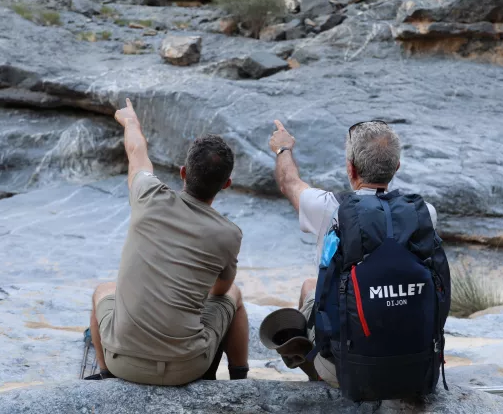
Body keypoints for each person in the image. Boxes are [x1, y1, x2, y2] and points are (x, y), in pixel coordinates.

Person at [88, 98, 249, 385]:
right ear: (226, 184)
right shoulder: (229, 234)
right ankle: (240, 379)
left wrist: (131, 122)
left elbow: (137, 152)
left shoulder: (148, 196)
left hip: (123, 361)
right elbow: (220, 289)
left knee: (102, 291)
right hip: (186, 369)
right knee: (234, 296)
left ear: (183, 172)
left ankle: (104, 373)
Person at [268, 119, 439, 386]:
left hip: (353, 370)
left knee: (309, 288)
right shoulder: (424, 213)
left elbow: (288, 182)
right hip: (414, 365)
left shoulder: (330, 208)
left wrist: (283, 149)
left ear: (350, 169)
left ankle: (322, 376)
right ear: (396, 168)